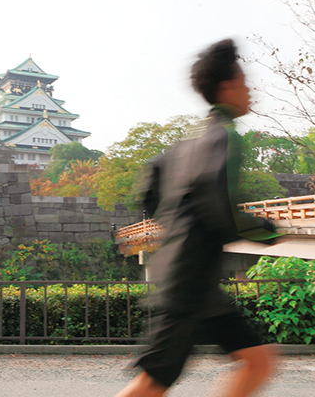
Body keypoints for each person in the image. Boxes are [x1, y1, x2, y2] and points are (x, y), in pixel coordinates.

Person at [115, 39, 280, 397]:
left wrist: (177, 224)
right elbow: (219, 208)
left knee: (260, 360)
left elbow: (151, 188)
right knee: (152, 383)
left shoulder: (188, 143)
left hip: (195, 282)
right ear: (226, 87)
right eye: (245, 82)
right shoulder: (223, 137)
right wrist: (267, 230)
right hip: (188, 287)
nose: (251, 91)